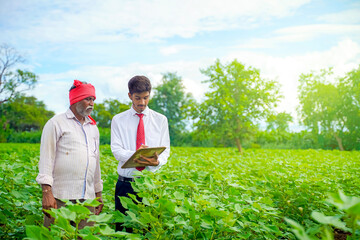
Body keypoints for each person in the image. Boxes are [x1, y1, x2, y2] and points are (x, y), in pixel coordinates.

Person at [36, 80, 104, 228]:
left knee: (86, 237)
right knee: (56, 235)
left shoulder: (93, 128)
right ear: (75, 100)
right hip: (60, 197)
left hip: (87, 198)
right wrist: (47, 192)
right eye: (87, 99)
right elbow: (46, 159)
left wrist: (98, 193)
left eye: (93, 99)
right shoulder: (56, 123)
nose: (91, 103)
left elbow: (95, 161)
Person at [111, 75, 170, 231]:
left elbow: (166, 150)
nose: (142, 103)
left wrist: (157, 161)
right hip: (126, 184)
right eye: (137, 98)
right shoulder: (118, 120)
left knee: (149, 231)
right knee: (123, 230)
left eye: (145, 98)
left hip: (150, 185)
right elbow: (116, 150)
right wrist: (137, 155)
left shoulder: (161, 120)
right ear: (130, 95)